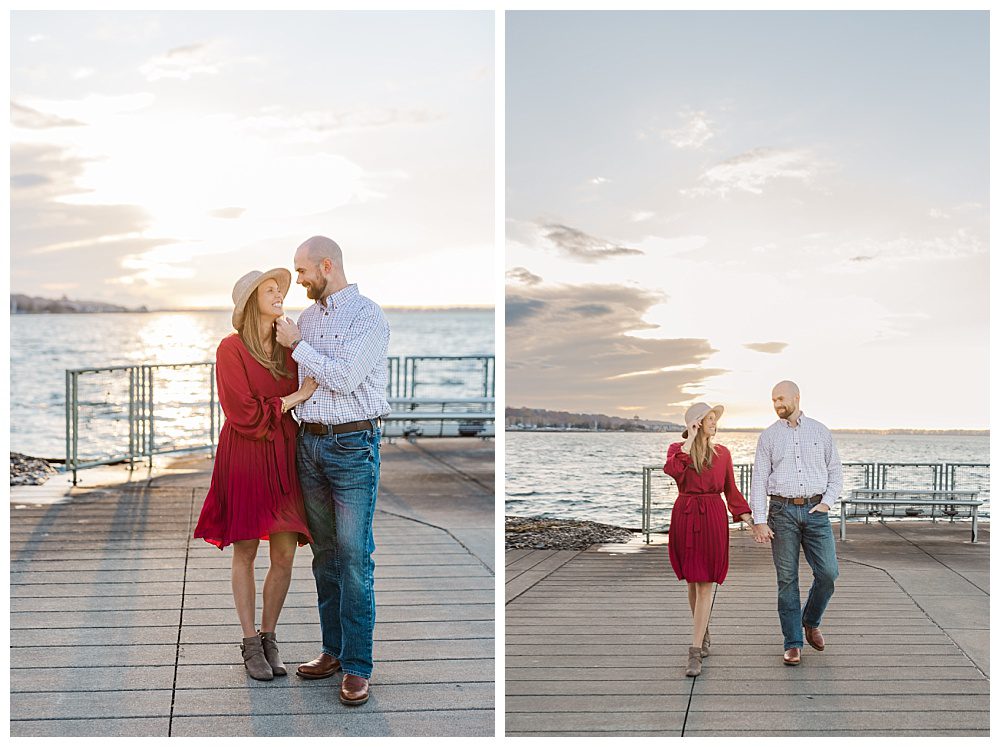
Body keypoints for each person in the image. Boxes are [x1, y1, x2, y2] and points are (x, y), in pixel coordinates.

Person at [274, 235, 390, 706]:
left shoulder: (368, 316)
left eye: (301, 271)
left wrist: (299, 346)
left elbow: (343, 378)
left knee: (355, 559)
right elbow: (304, 381)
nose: (297, 279)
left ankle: (359, 666)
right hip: (309, 443)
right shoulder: (306, 318)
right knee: (323, 555)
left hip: (352, 445)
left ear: (326, 266)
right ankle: (333, 651)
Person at [193, 269, 318, 681]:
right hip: (245, 454)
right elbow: (242, 412)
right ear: (250, 303)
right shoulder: (230, 349)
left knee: (284, 555)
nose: (279, 293)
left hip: (283, 454)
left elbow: (318, 381)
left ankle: (269, 636)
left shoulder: (288, 348)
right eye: (270, 290)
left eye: (280, 288)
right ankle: (249, 642)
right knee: (245, 550)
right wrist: (294, 398)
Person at [749, 380, 842, 666]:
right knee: (787, 580)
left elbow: (836, 471)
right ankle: (792, 643)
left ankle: (810, 621)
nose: (777, 404)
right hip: (782, 512)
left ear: (796, 397)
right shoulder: (768, 437)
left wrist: (826, 502)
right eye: (773, 400)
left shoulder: (820, 431)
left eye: (781, 398)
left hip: (816, 512)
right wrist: (759, 520)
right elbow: (758, 480)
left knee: (828, 574)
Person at [663, 402, 754, 677]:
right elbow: (673, 472)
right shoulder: (677, 451)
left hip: (712, 516)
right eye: (710, 419)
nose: (715, 423)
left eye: (715, 419)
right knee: (693, 581)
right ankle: (701, 632)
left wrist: (749, 518)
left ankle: (694, 651)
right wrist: (689, 440)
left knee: (704, 583)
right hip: (686, 514)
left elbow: (730, 489)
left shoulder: (723, 453)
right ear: (697, 423)